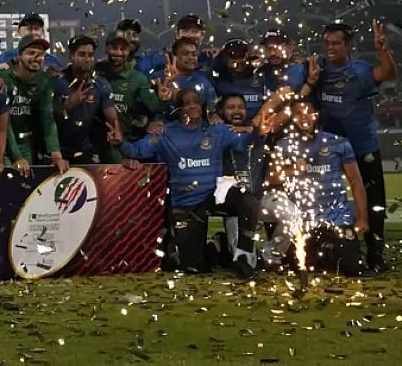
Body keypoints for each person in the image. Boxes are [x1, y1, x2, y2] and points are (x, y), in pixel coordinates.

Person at [121, 90, 257, 278]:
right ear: (178, 108)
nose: (192, 106)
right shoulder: (164, 133)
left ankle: (243, 253)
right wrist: (118, 141)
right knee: (192, 267)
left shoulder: (217, 129)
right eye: (186, 103)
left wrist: (257, 131)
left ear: (202, 107)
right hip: (187, 205)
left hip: (215, 195)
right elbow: (136, 150)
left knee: (248, 201)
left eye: (196, 102)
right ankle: (216, 248)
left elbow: (244, 143)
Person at [314, 21, 396, 272]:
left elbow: (388, 74)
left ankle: (375, 253)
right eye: (327, 43)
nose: (330, 48)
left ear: (348, 46)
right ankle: (327, 249)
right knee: (322, 199)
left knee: (374, 202)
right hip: (328, 150)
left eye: (336, 43)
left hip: (362, 147)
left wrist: (383, 50)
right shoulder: (317, 68)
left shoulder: (359, 71)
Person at [259, 97, 369, 276]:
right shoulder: (284, 145)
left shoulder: (338, 143)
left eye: (309, 113)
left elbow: (355, 181)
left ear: (316, 115)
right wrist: (292, 169)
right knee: (304, 267)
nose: (304, 118)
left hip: (338, 217)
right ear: (291, 117)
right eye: (298, 114)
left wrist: (363, 218)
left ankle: (339, 252)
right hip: (304, 220)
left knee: (352, 269)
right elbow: (271, 178)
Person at [0, 35, 67, 174]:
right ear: (19, 55)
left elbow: (48, 119)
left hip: (26, 143)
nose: (36, 57)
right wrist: (16, 157)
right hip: (1, 143)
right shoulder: (4, 78)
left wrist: (56, 154)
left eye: (40, 54)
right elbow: (5, 123)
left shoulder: (44, 80)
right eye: (30, 53)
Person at [55, 35, 122, 164]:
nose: (87, 59)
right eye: (82, 54)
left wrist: (116, 130)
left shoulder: (100, 84)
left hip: (86, 149)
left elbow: (111, 115)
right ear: (71, 57)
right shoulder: (57, 83)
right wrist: (68, 104)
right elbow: (47, 120)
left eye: (90, 55)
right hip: (57, 150)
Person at [0, 13, 65, 72]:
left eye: (36, 29)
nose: (33, 32)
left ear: (42, 32)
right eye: (29, 29)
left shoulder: (53, 61)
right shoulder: (5, 58)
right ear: (19, 32)